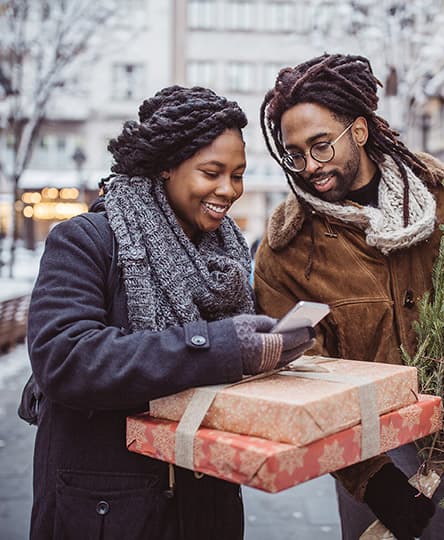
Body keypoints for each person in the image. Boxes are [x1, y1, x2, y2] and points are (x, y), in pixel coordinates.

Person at [27, 85, 315, 540]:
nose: (229, 190)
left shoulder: (227, 258)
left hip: (205, 508)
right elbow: (65, 358)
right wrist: (223, 346)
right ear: (166, 165)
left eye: (238, 175)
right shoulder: (86, 240)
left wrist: (275, 347)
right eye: (212, 172)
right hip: (109, 513)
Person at [254, 54, 444, 540]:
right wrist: (371, 478)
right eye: (294, 154)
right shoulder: (287, 252)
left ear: (359, 131)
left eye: (321, 146)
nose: (309, 167)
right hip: (367, 452)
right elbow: (300, 376)